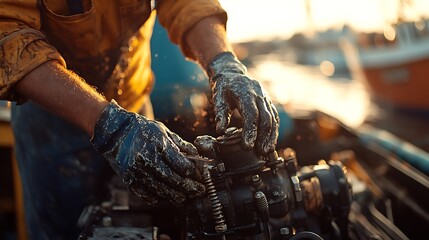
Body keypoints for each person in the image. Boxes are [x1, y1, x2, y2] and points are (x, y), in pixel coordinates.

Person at [0, 0, 279, 239]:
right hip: (52, 124)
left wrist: (224, 63)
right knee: (64, 230)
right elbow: (8, 32)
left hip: (137, 116)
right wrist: (108, 124)